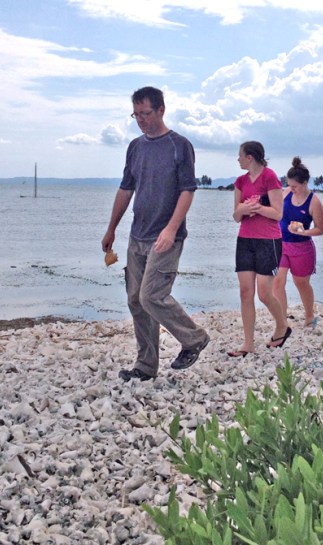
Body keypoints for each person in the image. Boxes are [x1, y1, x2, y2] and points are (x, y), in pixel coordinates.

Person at [101, 86, 210, 382]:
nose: (140, 120)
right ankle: (146, 366)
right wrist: (111, 228)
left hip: (167, 236)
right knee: (136, 300)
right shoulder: (135, 147)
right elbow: (126, 189)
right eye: (136, 114)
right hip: (138, 235)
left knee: (151, 296)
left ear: (161, 110)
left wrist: (171, 228)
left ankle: (194, 338)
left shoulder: (179, 145)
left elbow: (188, 190)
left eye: (145, 113)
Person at [227, 141, 291, 357]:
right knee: (246, 292)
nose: (238, 159)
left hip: (268, 241)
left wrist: (258, 208)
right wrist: (243, 209)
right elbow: (236, 217)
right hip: (245, 240)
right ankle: (248, 344)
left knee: (264, 293)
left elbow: (278, 214)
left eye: (240, 155)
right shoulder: (240, 181)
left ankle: (282, 326)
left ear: (250, 157)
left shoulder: (269, 177)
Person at [273, 157, 323, 328]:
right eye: (290, 185)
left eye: (295, 186)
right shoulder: (286, 193)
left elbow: (320, 229)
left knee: (301, 283)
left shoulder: (314, 201)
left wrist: (303, 232)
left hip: (302, 247)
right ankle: (282, 320)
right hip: (281, 244)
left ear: (304, 183)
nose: (292, 188)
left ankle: (309, 316)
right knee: (278, 281)